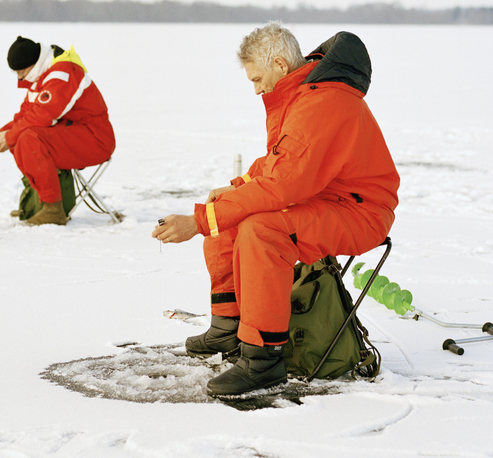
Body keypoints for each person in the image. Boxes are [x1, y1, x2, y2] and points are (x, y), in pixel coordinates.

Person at [152, 22, 400, 397]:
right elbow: (280, 163)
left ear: (280, 65)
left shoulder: (322, 101)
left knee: (261, 230)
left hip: (359, 213)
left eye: (257, 78)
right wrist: (236, 189)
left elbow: (284, 183)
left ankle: (263, 358)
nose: (256, 89)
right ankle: (228, 327)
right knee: (229, 215)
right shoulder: (303, 94)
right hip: (323, 199)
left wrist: (198, 221)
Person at [0, 36, 116, 225]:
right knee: (21, 137)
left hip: (96, 140)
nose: (20, 78)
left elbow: (43, 114)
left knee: (29, 138)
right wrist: (5, 132)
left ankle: (52, 210)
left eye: (21, 71)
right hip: (73, 134)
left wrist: (11, 136)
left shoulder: (63, 73)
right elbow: (27, 112)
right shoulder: (43, 74)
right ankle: (39, 203)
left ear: (34, 63)